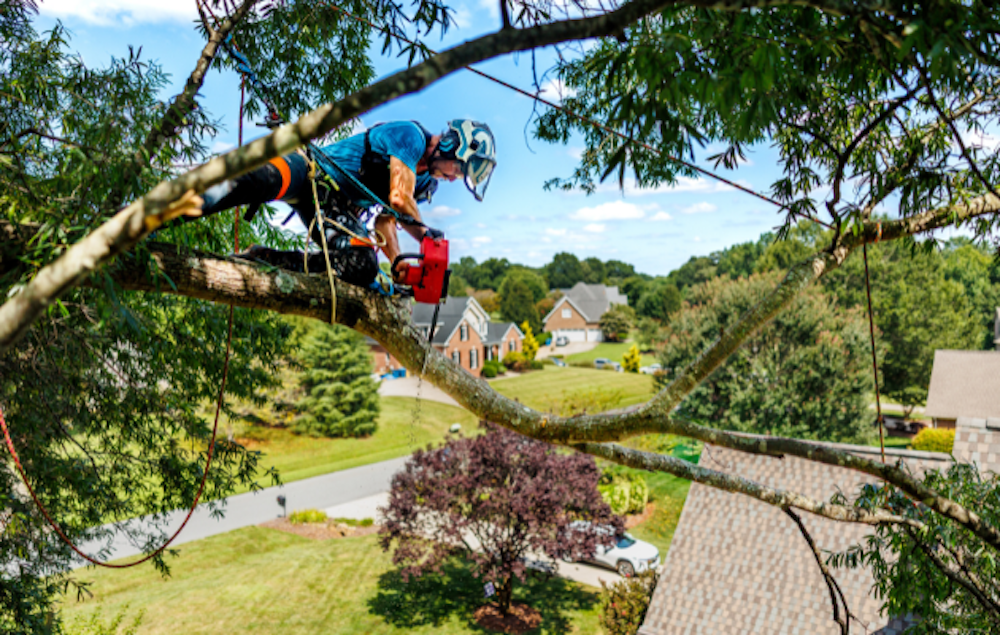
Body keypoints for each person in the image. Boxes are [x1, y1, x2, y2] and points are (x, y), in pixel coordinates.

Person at [191, 119, 496, 289]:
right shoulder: (411, 136)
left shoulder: (426, 182)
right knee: (259, 179)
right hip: (312, 173)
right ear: (451, 144)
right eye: (458, 169)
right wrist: (427, 237)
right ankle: (174, 207)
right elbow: (398, 197)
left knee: (363, 266)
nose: (454, 178)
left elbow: (386, 220)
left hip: (335, 209)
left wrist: (396, 261)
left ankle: (262, 259)